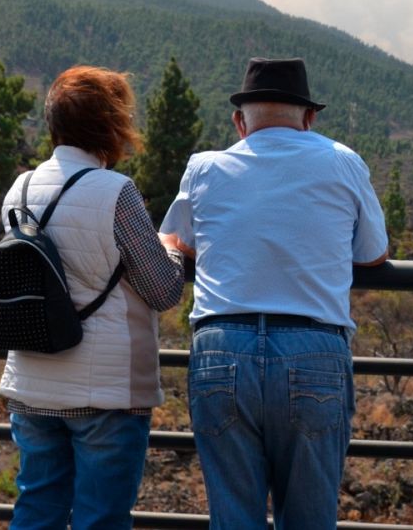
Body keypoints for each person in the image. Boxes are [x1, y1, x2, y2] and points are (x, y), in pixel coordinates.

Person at [159, 57, 388, 528]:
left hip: (222, 348)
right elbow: (372, 255)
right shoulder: (343, 162)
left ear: (239, 121)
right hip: (314, 350)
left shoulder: (204, 168)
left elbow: (177, 240)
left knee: (233, 517)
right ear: (309, 117)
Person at [0, 66, 185, 530]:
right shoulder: (115, 192)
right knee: (101, 519)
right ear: (110, 125)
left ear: (54, 123)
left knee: (36, 511)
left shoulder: (18, 190)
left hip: (33, 382)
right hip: (107, 392)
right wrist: (172, 251)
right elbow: (163, 290)